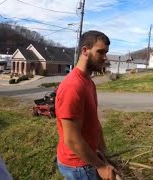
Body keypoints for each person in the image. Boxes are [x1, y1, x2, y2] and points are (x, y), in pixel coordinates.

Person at [55, 30, 114, 180]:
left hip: (90, 157)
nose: (105, 57)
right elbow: (72, 138)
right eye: (100, 52)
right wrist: (100, 166)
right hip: (80, 165)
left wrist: (103, 153)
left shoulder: (88, 82)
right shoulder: (73, 86)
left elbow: (94, 123)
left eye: (106, 52)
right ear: (85, 51)